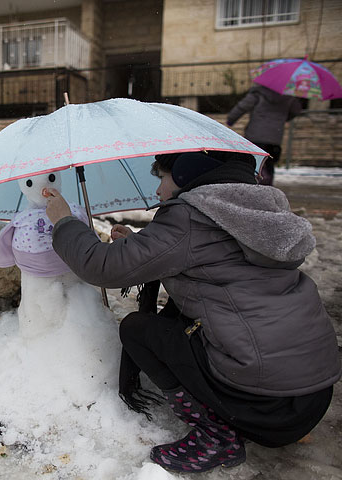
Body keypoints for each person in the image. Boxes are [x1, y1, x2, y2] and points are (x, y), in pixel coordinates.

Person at [43, 151, 341, 474]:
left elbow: (101, 266)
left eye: (162, 179)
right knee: (181, 318)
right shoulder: (256, 208)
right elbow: (209, 258)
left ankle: (215, 435)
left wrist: (64, 221)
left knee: (137, 329)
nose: (158, 191)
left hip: (267, 408)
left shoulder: (190, 214)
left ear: (186, 176)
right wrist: (140, 246)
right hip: (313, 396)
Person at [227, 84, 302, 185]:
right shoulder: (288, 96)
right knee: (269, 164)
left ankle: (251, 184)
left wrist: (231, 120)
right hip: (274, 137)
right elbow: (296, 110)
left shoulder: (259, 93)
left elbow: (242, 107)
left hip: (255, 136)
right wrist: (282, 117)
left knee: (252, 163)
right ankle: (267, 185)